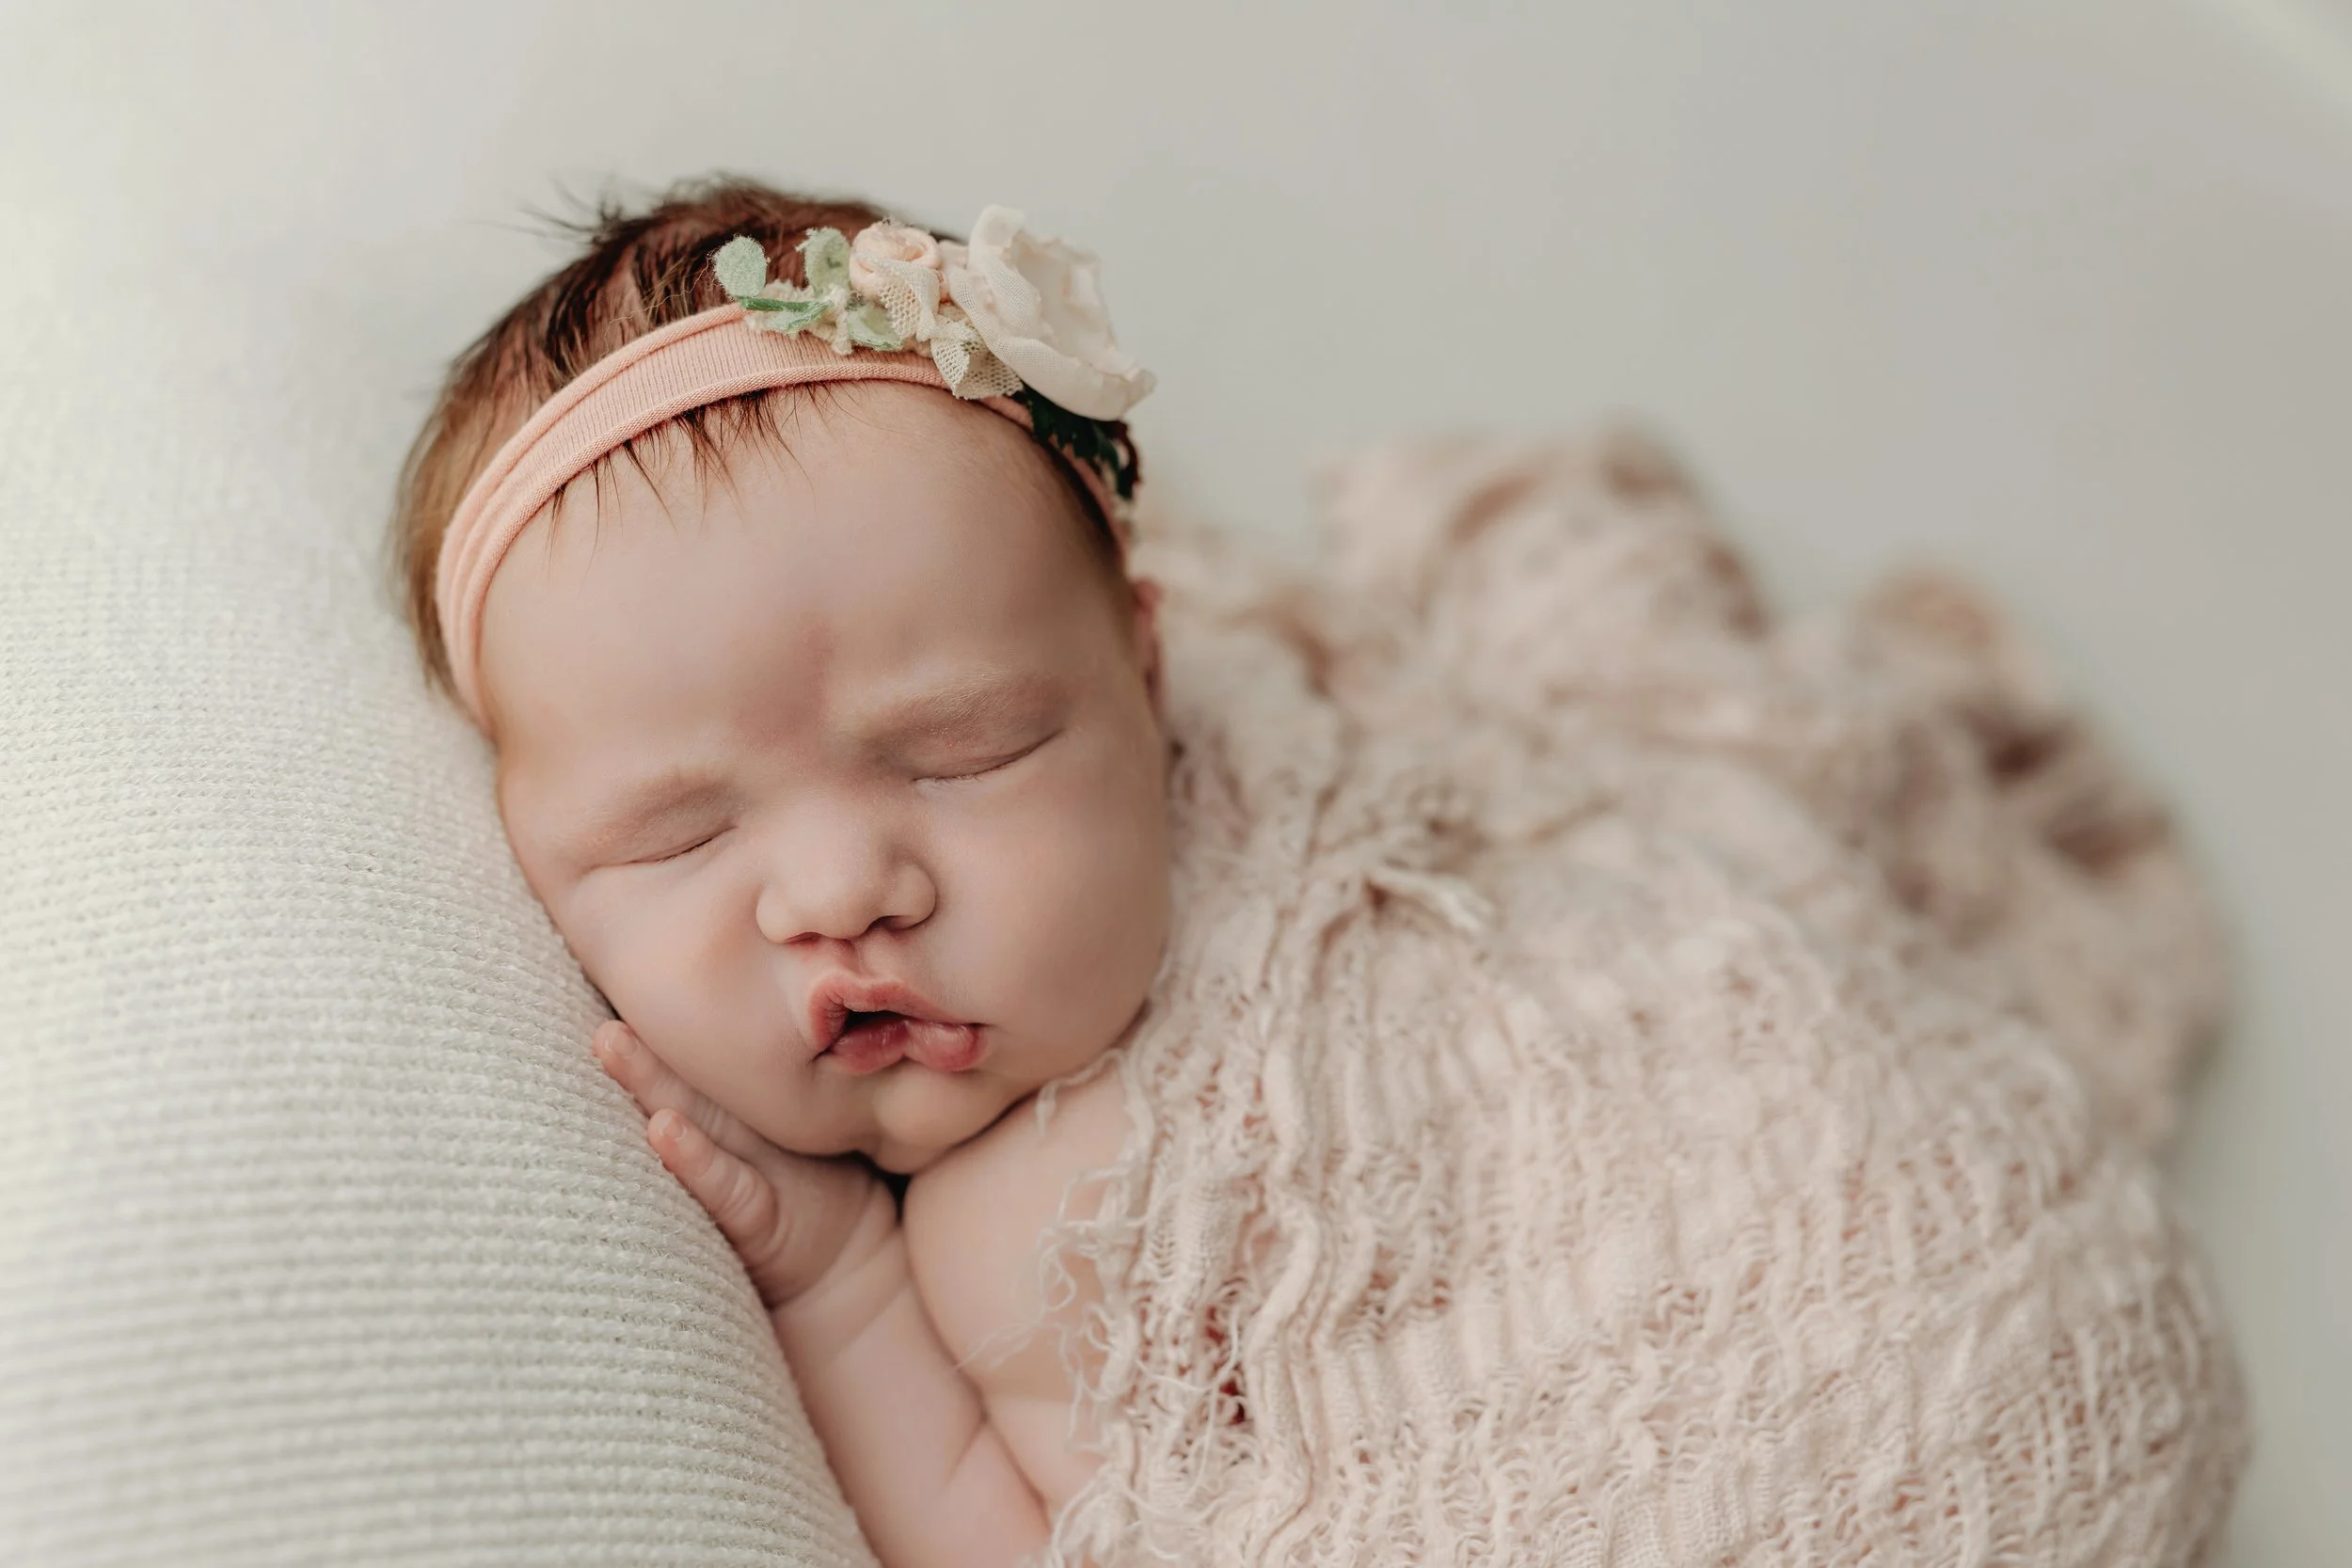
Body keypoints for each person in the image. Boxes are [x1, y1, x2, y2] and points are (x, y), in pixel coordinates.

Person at [389, 175, 1168, 1568]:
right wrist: (844, 1286)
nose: (837, 891)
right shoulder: (1003, 1254)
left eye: (964, 748)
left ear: (1150, 675)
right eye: (678, 837)